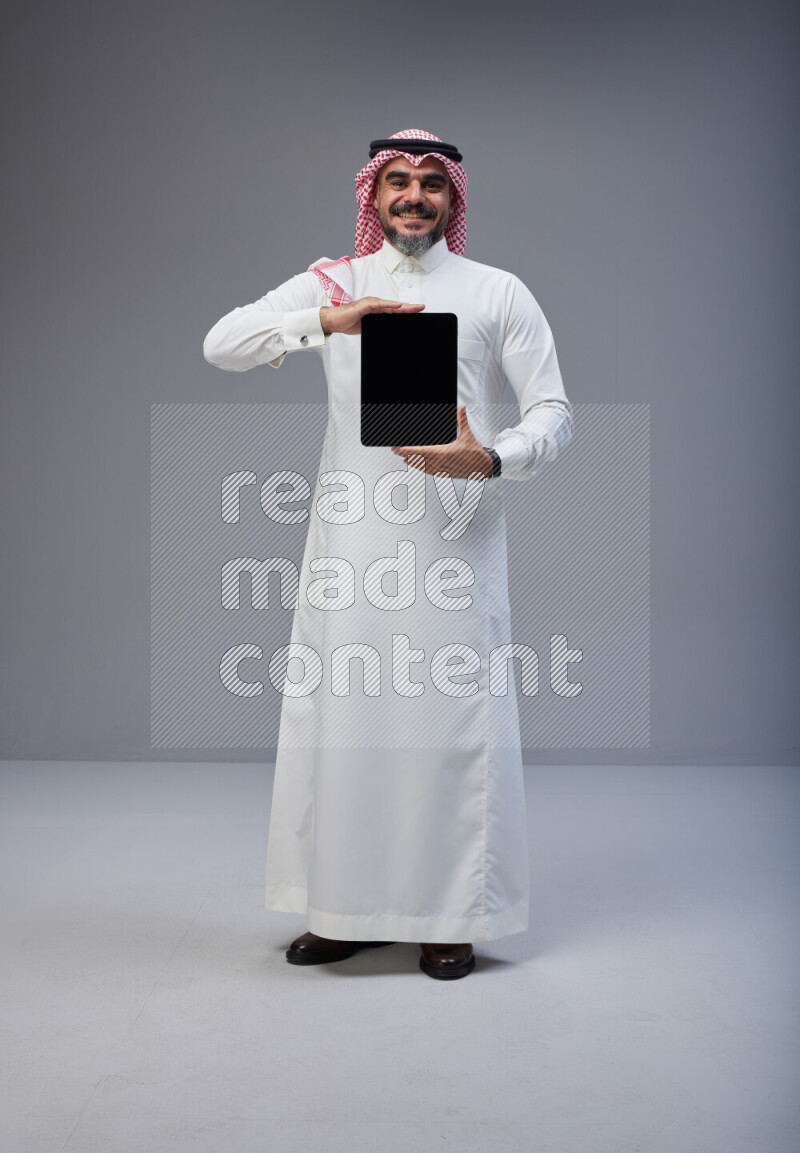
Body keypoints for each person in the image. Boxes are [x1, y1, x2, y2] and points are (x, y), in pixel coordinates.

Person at [203, 129, 573, 980]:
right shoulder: (334, 282)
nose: (413, 195)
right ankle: (344, 910)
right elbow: (222, 343)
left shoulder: (496, 291)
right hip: (351, 547)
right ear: (372, 196)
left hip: (453, 543)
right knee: (349, 726)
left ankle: (450, 916)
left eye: (431, 183)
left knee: (447, 728)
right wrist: (327, 321)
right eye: (397, 181)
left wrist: (491, 458)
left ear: (453, 199)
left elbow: (554, 411)